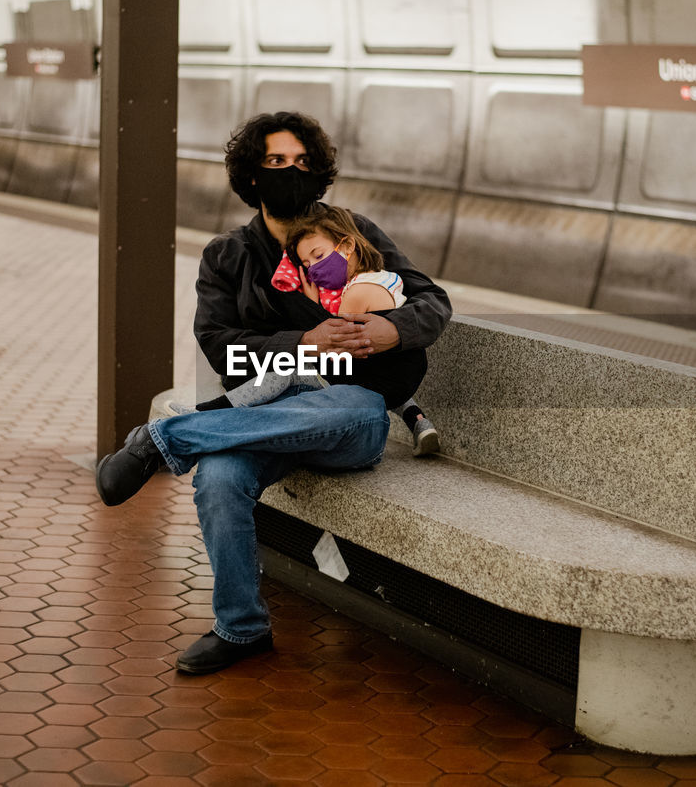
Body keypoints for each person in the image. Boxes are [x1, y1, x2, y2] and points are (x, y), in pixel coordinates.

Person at [95, 111, 452, 674]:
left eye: (303, 162)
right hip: (267, 413)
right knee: (218, 477)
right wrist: (303, 342)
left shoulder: (351, 233)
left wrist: (393, 329)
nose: (293, 171)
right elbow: (222, 349)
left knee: (351, 406)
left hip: (351, 418)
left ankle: (164, 439)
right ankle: (240, 630)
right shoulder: (228, 257)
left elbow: (432, 302)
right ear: (252, 176)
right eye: (277, 162)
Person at [193, 203, 440, 456]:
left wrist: (311, 311)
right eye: (307, 264)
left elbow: (336, 339)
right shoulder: (383, 277)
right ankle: (419, 420)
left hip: (368, 374)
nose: (313, 269)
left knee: (284, 370)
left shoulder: (357, 292)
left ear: (347, 245)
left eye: (318, 256)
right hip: (394, 370)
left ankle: (212, 412)